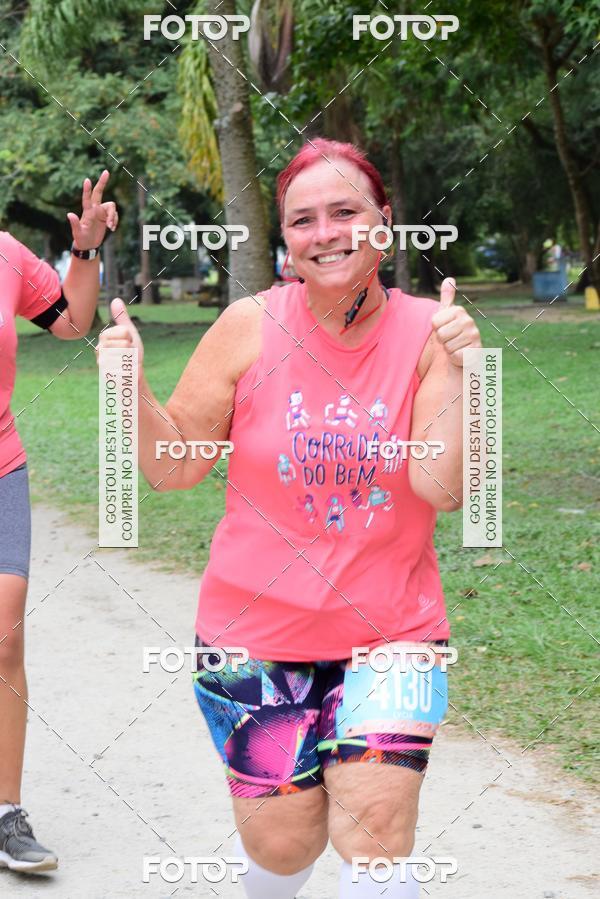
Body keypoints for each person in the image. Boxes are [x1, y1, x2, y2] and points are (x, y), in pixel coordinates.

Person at [98, 139, 481, 897]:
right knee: (283, 845)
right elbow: (174, 467)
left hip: (392, 633)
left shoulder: (429, 335)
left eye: (346, 211)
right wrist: (128, 388)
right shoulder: (248, 326)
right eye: (303, 219)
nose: (325, 231)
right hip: (252, 635)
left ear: (386, 221)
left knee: (376, 827)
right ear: (286, 237)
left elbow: (442, 486)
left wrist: (470, 372)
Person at [0, 171, 118, 873]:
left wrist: (86, 251)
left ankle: (6, 812)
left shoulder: (7, 255)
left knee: (5, 631)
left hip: (0, 465)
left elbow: (73, 322)